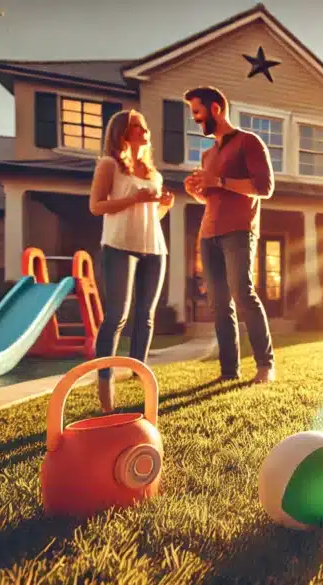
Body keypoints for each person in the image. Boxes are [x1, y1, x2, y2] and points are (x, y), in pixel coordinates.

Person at [182, 86, 276, 385]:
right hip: (208, 233)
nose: (196, 120)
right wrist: (197, 191)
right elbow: (212, 195)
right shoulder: (207, 153)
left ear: (215, 109)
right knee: (219, 304)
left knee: (243, 294)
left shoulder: (249, 142)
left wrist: (219, 180)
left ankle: (265, 366)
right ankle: (228, 371)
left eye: (197, 112)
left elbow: (264, 188)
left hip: (239, 229)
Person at [89, 109, 174, 412]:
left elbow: (152, 216)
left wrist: (163, 205)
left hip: (154, 248)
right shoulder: (109, 165)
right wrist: (133, 199)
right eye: (136, 125)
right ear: (122, 133)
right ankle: (104, 386)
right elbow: (96, 206)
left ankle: (141, 379)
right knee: (116, 317)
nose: (144, 129)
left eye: (143, 124)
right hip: (119, 246)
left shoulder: (155, 174)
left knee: (146, 316)